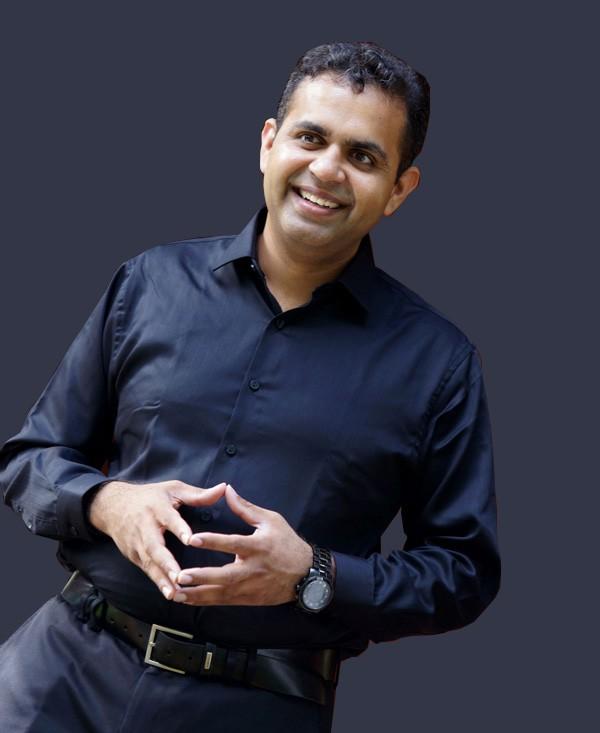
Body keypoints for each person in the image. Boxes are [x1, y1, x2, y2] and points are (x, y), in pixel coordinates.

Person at [0, 40, 500, 733]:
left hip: (257, 707)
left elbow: (463, 572)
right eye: (310, 138)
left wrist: (313, 573)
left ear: (398, 189)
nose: (326, 169)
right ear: (269, 143)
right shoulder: (149, 283)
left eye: (362, 156)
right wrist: (107, 503)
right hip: (55, 681)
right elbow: (29, 459)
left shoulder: (438, 363)